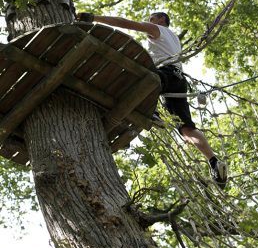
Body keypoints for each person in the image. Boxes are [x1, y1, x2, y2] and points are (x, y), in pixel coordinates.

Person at [77, 11, 228, 189]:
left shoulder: (157, 29)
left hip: (165, 74)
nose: (149, 22)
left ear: (161, 20)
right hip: (178, 80)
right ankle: (213, 161)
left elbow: (127, 23)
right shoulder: (174, 39)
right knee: (187, 129)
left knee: (135, 83)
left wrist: (95, 18)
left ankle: (150, 114)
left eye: (152, 18)